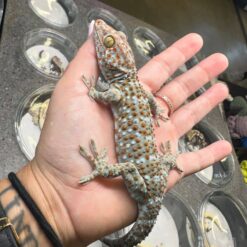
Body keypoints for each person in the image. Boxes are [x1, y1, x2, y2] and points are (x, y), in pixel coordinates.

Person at [0, 32, 232, 247]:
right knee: (146, 165)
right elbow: (151, 100)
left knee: (130, 167)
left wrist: (94, 93)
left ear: (116, 60)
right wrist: (158, 115)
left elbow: (103, 96)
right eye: (113, 40)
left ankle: (103, 168)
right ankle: (162, 162)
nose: (101, 36)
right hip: (155, 175)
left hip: (148, 184)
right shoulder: (136, 88)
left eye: (109, 42)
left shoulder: (118, 91)